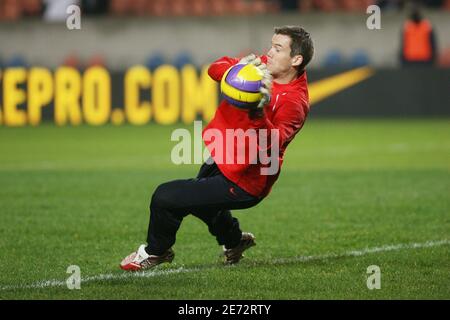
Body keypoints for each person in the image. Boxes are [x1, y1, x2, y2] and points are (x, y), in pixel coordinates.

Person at [120, 25, 314, 271]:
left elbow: (272, 146)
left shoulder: (294, 103)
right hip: (225, 156)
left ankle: (155, 252)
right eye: (271, 46)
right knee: (205, 206)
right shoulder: (263, 67)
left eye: (278, 48)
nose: (269, 53)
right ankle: (235, 241)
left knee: (165, 197)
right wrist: (235, 69)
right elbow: (214, 69)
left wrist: (256, 111)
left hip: (246, 180)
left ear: (296, 59)